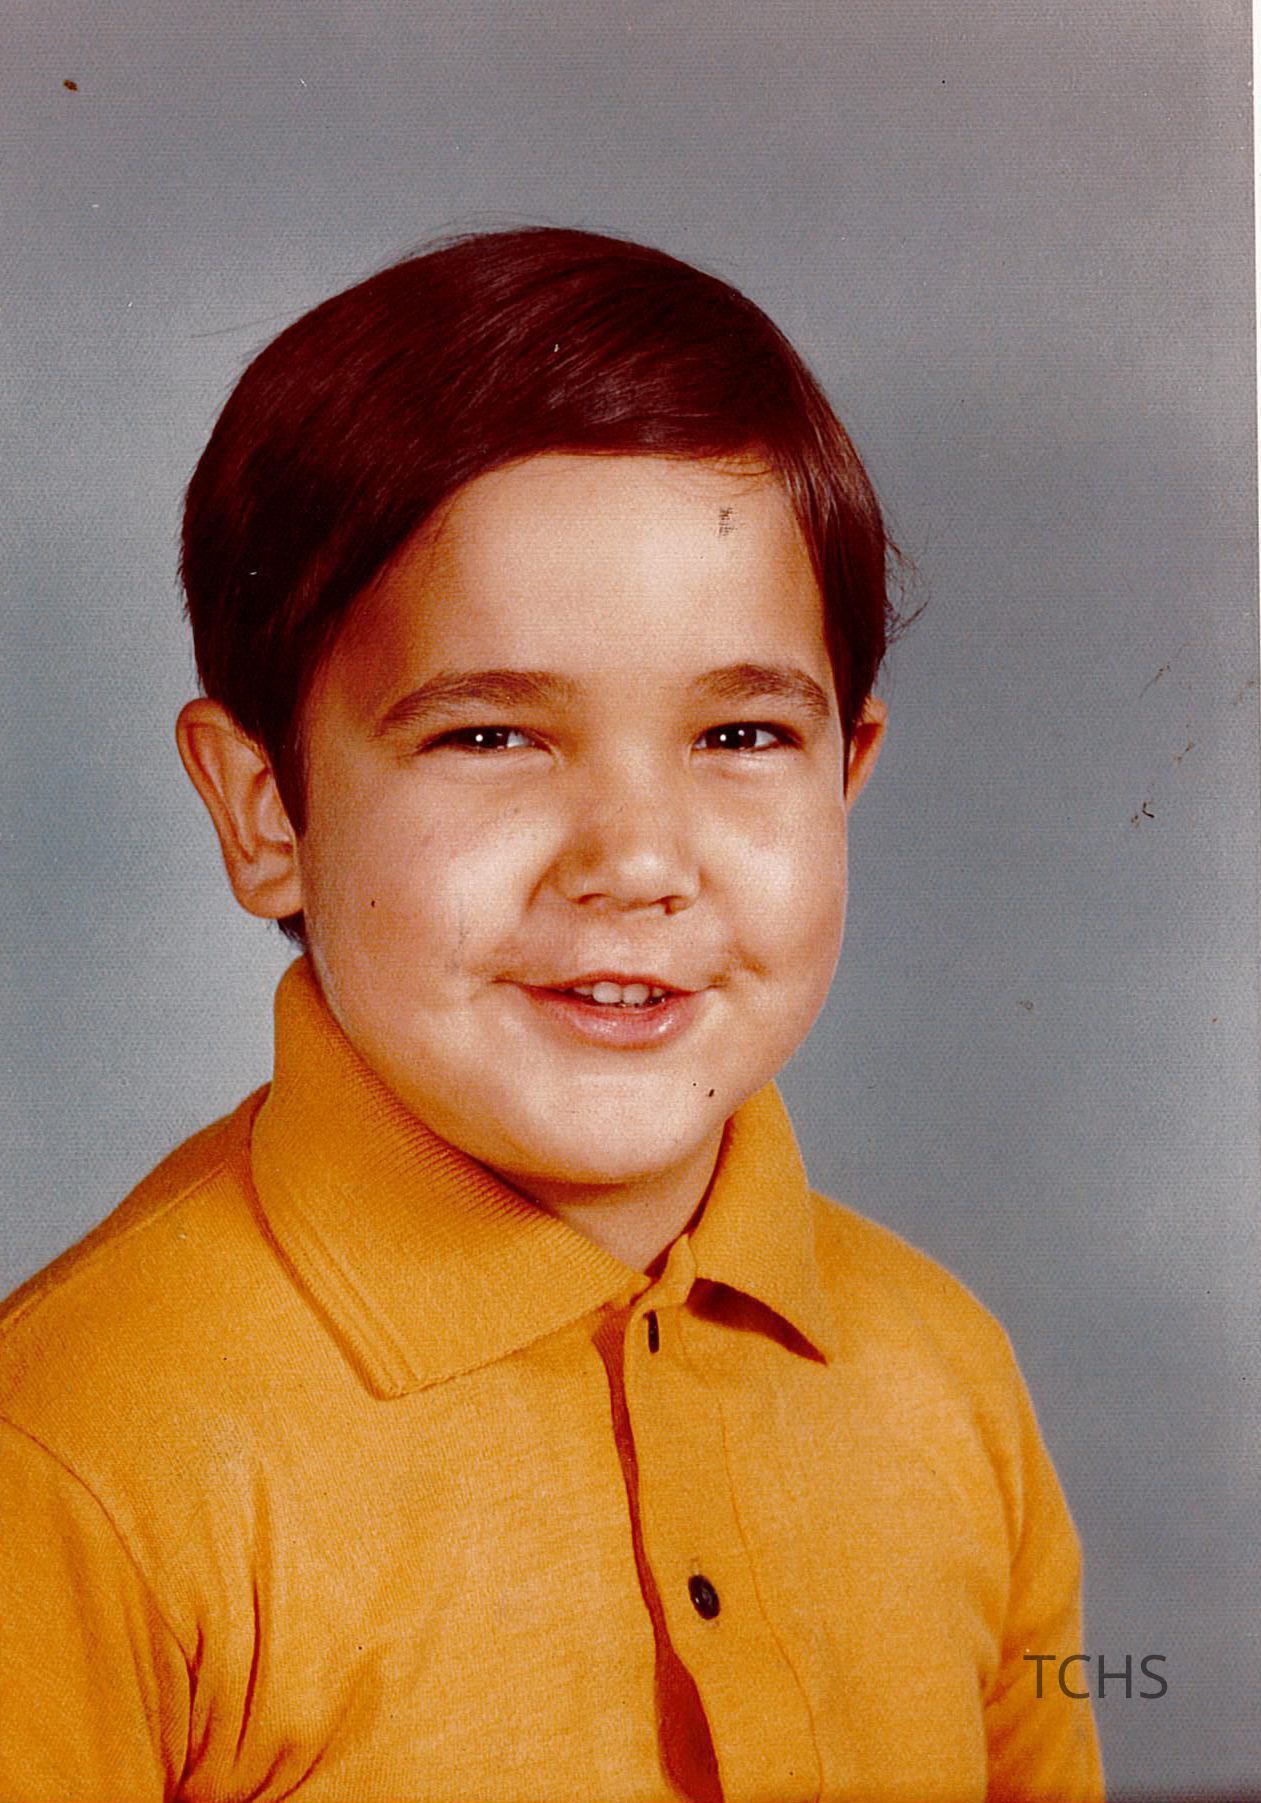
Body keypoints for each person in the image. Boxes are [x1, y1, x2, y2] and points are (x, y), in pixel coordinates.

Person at [0, 227, 1104, 1802]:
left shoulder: (947, 1378)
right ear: (265, 811)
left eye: (739, 734)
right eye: (489, 738)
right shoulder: (73, 1458)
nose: (636, 863)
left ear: (846, 773)